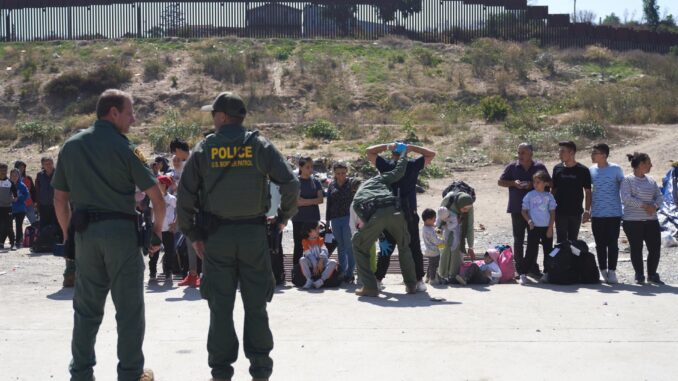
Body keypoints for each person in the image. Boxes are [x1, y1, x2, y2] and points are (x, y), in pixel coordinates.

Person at [177, 91, 299, 381]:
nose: (212, 119)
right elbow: (291, 184)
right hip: (254, 235)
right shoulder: (258, 145)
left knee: (220, 307)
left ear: (222, 117)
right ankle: (260, 371)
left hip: (216, 237)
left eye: (213, 114)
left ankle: (221, 373)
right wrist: (282, 219)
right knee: (256, 305)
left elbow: (185, 196)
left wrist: (193, 234)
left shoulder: (205, 148)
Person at [53, 89, 164, 381]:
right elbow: (158, 197)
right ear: (113, 112)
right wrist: (155, 233)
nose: (133, 118)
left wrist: (68, 236)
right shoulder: (125, 148)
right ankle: (130, 374)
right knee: (128, 311)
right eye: (129, 113)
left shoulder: (71, 146)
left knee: (86, 311)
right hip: (121, 236)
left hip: (86, 235)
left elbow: (59, 200)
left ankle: (80, 374)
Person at [366, 140, 436, 292]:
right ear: (406, 153)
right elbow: (431, 154)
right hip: (409, 213)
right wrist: (412, 148)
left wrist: (386, 145)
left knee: (386, 248)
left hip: (389, 215)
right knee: (413, 248)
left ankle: (377, 279)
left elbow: (369, 151)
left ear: (392, 154)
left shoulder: (387, 166)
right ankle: (418, 281)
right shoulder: (411, 165)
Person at [351, 142, 419, 297]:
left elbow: (357, 207)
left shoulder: (359, 193)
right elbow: (399, 171)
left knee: (358, 244)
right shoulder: (380, 179)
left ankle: (370, 286)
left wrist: (373, 229)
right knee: (404, 246)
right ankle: (411, 284)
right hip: (396, 210)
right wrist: (403, 155)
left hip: (376, 213)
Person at [497, 143, 548, 277]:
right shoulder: (512, 167)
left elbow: (549, 183)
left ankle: (532, 266)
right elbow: (500, 181)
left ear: (531, 154)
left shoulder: (539, 167)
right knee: (518, 239)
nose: (520, 155)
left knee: (534, 240)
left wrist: (533, 185)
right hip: (517, 209)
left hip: (536, 210)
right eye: (519, 153)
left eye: (523, 153)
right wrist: (514, 183)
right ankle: (520, 268)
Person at [620, 152, 664, 285]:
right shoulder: (627, 180)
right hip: (632, 221)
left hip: (651, 221)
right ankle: (639, 274)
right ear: (641, 164)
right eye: (649, 163)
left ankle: (652, 274)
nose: (651, 165)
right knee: (636, 248)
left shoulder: (651, 180)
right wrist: (645, 206)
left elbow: (660, 197)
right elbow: (626, 199)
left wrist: (654, 206)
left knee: (655, 248)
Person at [589, 143, 624, 284]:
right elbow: (588, 191)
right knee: (600, 244)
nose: (592, 155)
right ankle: (603, 271)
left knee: (613, 243)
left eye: (595, 152)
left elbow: (624, 188)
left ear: (603, 155)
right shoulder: (591, 170)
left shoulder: (616, 169)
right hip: (597, 213)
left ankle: (612, 271)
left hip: (614, 213)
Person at [551, 141, 592, 245]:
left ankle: (572, 262)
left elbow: (588, 191)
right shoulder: (557, 168)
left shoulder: (583, 170)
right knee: (561, 241)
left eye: (562, 152)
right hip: (560, 211)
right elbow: (553, 190)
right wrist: (549, 207)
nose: (560, 154)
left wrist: (587, 210)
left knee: (573, 241)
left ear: (572, 152)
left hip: (576, 212)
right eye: (559, 152)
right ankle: (562, 261)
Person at [520, 171, 556, 285]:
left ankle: (547, 273)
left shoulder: (549, 196)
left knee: (548, 251)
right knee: (531, 250)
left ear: (545, 183)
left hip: (546, 227)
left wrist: (550, 228)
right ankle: (523, 274)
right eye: (534, 182)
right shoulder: (530, 195)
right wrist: (529, 220)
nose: (535, 184)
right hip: (534, 227)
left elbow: (552, 213)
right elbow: (524, 211)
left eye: (538, 182)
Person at [326, 161, 359, 283]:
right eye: (338, 173)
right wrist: (328, 220)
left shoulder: (351, 184)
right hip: (335, 218)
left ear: (346, 172)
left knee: (349, 246)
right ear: (334, 173)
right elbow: (329, 203)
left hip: (348, 218)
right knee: (340, 246)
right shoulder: (332, 185)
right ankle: (342, 272)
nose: (341, 175)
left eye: (343, 173)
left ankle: (350, 273)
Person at [436, 191, 474, 283]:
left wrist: (470, 246)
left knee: (457, 250)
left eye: (468, 209)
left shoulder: (469, 206)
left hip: (459, 229)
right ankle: (442, 274)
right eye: (464, 209)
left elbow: (469, 226)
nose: (466, 211)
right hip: (446, 229)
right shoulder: (448, 200)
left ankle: (454, 276)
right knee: (444, 249)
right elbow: (440, 216)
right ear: (459, 204)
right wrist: (438, 231)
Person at [292, 156, 323, 266]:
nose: (310, 169)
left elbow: (320, 200)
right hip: (298, 219)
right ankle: (296, 270)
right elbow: (296, 202)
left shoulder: (316, 181)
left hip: (313, 219)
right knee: (299, 245)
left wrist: (305, 201)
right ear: (300, 167)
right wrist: (312, 201)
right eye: (307, 167)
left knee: (314, 245)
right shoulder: (295, 182)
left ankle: (314, 270)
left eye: (312, 167)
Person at [148, 176, 177, 283]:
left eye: (159, 183)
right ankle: (152, 273)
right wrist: (152, 225)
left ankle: (168, 272)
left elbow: (178, 211)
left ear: (165, 185)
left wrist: (175, 223)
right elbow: (151, 212)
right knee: (154, 251)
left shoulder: (172, 199)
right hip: (157, 229)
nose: (157, 185)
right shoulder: (154, 198)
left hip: (168, 229)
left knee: (170, 251)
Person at [298, 222, 338, 289]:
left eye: (318, 229)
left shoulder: (320, 239)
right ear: (309, 232)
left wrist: (321, 260)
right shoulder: (304, 241)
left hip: (322, 262)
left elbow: (324, 250)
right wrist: (315, 265)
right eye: (316, 229)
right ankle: (309, 279)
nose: (318, 231)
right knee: (302, 260)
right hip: (311, 262)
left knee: (333, 262)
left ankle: (321, 280)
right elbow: (309, 255)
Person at [421, 208, 444, 284]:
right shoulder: (430, 231)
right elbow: (436, 241)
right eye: (434, 219)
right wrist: (443, 241)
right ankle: (433, 279)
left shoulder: (425, 228)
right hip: (433, 251)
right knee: (434, 265)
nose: (435, 220)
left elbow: (435, 229)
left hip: (428, 250)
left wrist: (439, 230)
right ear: (428, 220)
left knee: (430, 264)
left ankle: (427, 277)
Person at [9, 168, 29, 250]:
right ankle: (12, 241)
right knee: (8, 225)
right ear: (10, 176)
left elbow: (27, 196)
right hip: (9, 209)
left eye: (16, 175)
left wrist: (18, 198)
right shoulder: (7, 184)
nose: (14, 177)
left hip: (20, 209)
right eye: (12, 175)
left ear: (19, 176)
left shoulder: (22, 185)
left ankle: (18, 242)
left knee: (19, 226)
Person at [35, 157, 57, 226]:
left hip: (57, 206)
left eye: (50, 163)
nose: (48, 166)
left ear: (53, 164)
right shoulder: (40, 175)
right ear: (43, 165)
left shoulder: (58, 174)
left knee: (56, 227)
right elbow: (37, 190)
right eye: (46, 164)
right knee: (44, 227)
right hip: (43, 206)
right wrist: (37, 204)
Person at [14, 160, 37, 225]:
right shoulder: (12, 180)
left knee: (34, 223)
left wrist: (35, 202)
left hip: (29, 204)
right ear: (16, 168)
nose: (21, 168)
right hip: (17, 205)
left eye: (23, 167)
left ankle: (35, 235)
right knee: (18, 225)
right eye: (20, 167)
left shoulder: (28, 178)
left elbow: (33, 190)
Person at [0, 163, 13, 251]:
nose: (3, 172)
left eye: (5, 170)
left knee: (8, 226)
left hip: (8, 207)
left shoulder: (10, 182)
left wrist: (12, 199)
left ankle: (13, 243)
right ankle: (1, 243)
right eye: (2, 170)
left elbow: (15, 194)